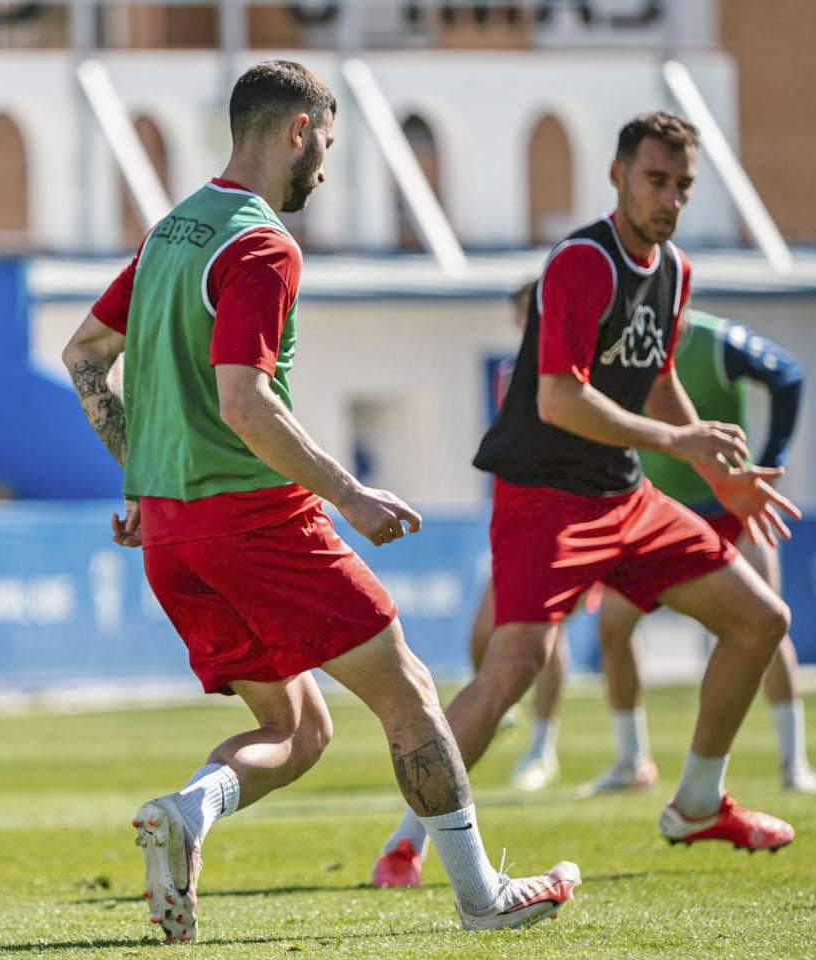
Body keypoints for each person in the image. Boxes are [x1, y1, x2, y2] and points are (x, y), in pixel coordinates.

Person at [61, 61, 579, 942]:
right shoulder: (261, 246)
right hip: (256, 521)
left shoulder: (168, 233)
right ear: (298, 129)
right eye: (327, 146)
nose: (325, 170)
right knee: (410, 691)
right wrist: (350, 496)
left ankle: (186, 812)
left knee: (298, 727)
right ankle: (479, 895)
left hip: (173, 539)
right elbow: (243, 403)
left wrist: (143, 482)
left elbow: (82, 358)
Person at [372, 111, 802, 889]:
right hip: (542, 499)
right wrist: (680, 447)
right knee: (511, 670)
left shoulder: (674, 270)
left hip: (622, 497)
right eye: (654, 180)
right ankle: (405, 842)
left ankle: (698, 802)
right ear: (616, 176)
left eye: (681, 186)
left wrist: (716, 474)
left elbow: (657, 375)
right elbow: (560, 400)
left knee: (760, 619)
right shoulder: (579, 262)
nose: (668, 199)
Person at [584, 309, 816, 796]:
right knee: (613, 627)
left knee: (769, 627)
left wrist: (773, 457)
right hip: (650, 516)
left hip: (727, 509)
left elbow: (787, 374)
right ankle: (632, 761)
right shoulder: (615, 345)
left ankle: (794, 764)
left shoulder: (717, 341)